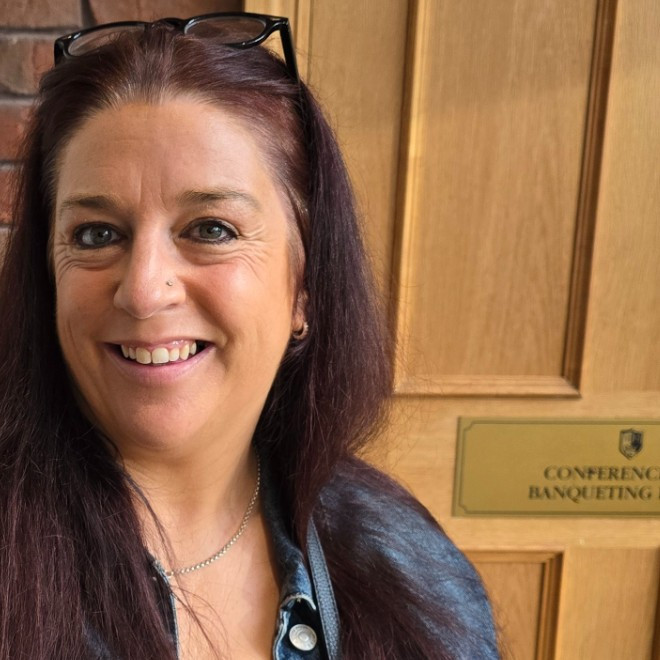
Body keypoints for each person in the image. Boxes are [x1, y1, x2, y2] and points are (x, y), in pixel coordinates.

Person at [0, 13, 498, 660]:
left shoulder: (412, 568)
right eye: (97, 235)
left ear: (304, 286)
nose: (144, 290)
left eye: (211, 229)